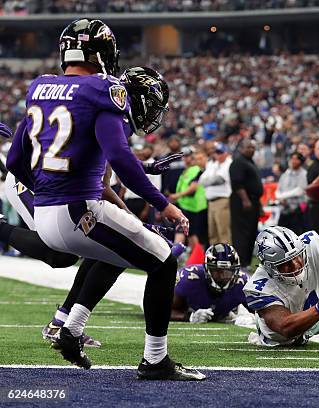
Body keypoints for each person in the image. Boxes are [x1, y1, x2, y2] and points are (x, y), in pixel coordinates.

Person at [6, 19, 203, 380]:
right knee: (162, 262)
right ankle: (156, 360)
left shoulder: (40, 86)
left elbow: (14, 161)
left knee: (122, 251)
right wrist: (165, 204)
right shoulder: (105, 88)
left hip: (47, 214)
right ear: (102, 53)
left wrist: (50, 189)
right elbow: (121, 159)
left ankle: (71, 327)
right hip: (79, 208)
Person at [243, 226, 319, 346]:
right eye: (286, 263)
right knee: (317, 319)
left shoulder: (311, 245)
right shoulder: (258, 286)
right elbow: (286, 328)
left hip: (310, 317)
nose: (295, 265)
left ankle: (306, 330)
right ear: (269, 267)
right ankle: (260, 319)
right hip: (277, 337)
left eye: (297, 256)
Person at [171, 243, 253, 326]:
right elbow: (161, 310)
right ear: (206, 269)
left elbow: (263, 311)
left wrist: (253, 319)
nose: (223, 276)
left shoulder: (243, 282)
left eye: (228, 271)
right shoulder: (189, 278)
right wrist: (189, 316)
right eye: (218, 271)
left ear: (236, 271)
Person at [230, 138, 263, 269]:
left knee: (250, 232)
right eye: (248, 147)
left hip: (253, 201)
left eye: (253, 147)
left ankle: (247, 262)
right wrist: (245, 200)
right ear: (241, 148)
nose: (251, 149)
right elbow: (237, 183)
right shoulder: (238, 162)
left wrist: (258, 205)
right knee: (241, 233)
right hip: (242, 201)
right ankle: (241, 262)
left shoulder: (250, 162)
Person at [169, 149, 208, 251]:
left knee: (193, 233)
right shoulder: (187, 170)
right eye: (184, 156)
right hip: (186, 205)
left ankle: (198, 256)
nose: (186, 159)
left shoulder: (195, 169)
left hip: (194, 206)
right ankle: (194, 256)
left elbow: (193, 187)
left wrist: (177, 195)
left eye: (189, 156)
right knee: (190, 233)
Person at [199, 142, 232, 245]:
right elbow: (201, 180)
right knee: (212, 233)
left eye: (220, 152)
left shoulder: (228, 163)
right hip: (211, 202)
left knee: (223, 232)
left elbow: (219, 179)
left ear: (226, 153)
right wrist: (207, 181)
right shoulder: (212, 164)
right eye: (217, 152)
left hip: (222, 200)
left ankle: (227, 258)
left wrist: (207, 182)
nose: (218, 155)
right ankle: (216, 257)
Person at [276, 152, 308, 235]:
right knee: (281, 235)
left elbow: (299, 191)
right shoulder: (285, 175)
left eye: (296, 159)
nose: (293, 161)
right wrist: (281, 198)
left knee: (295, 236)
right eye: (291, 158)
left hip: (297, 211)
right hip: (284, 210)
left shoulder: (304, 174)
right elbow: (278, 191)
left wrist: (282, 196)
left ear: (300, 161)